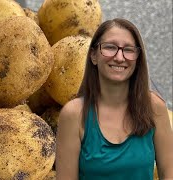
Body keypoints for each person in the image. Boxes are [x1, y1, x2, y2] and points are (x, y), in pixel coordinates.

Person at [56, 18, 173, 180]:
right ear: (94, 56)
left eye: (128, 50)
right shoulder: (73, 114)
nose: (119, 57)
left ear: (138, 58)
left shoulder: (155, 108)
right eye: (110, 47)